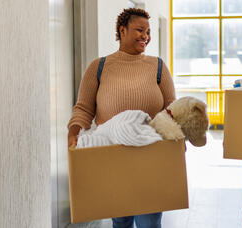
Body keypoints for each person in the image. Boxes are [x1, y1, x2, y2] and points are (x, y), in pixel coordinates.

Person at [67, 8, 176, 228]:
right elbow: (84, 108)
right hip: (113, 154)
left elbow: (172, 108)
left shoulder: (158, 67)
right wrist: (73, 132)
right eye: (139, 30)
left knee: (150, 221)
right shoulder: (98, 67)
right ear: (122, 30)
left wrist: (178, 140)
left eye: (148, 31)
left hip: (151, 154)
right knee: (121, 220)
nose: (145, 36)